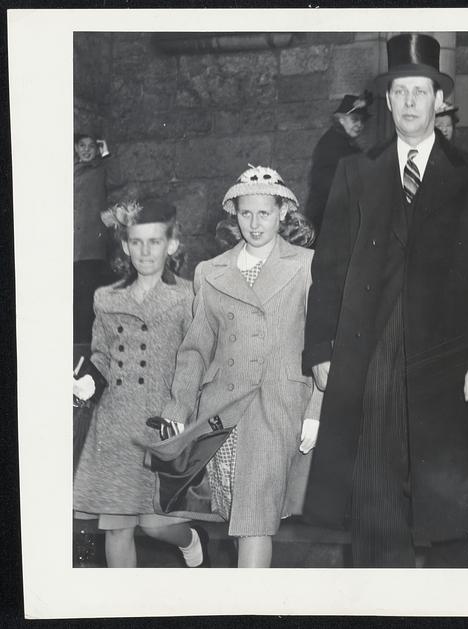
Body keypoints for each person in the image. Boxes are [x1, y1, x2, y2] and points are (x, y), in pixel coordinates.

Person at [302, 33, 468, 568]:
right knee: (373, 499)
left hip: (442, 357)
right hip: (371, 354)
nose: (411, 102)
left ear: (440, 102)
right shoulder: (355, 171)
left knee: (443, 507)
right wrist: (321, 347)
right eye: (400, 92)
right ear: (387, 102)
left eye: (421, 92)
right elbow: (329, 268)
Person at [160, 165, 322, 568]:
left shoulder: (307, 266)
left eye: (264, 213)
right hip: (221, 413)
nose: (254, 223)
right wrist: (178, 408)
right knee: (237, 515)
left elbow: (324, 344)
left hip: (276, 406)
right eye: (245, 213)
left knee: (254, 522)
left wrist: (317, 410)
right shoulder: (209, 271)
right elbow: (195, 349)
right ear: (234, 212)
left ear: (283, 212)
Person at [73, 198, 206, 568]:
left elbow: (193, 359)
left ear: (172, 245)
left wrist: (179, 409)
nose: (145, 251)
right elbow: (101, 354)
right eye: (136, 242)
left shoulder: (188, 296)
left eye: (154, 242)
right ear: (125, 245)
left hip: (164, 422)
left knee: (156, 525)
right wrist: (88, 381)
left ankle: (192, 540)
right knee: (117, 528)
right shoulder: (106, 297)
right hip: (115, 423)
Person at [304, 91, 372, 233]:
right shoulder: (335, 143)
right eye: (355, 119)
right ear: (341, 119)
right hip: (326, 218)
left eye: (362, 120)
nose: (360, 124)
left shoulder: (342, 141)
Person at [74, 132, 118, 344]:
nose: (86, 149)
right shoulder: (70, 172)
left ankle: (86, 345)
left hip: (92, 245)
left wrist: (105, 150)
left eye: (91, 145)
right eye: (81, 145)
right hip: (72, 246)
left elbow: (118, 176)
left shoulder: (101, 171)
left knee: (88, 295)